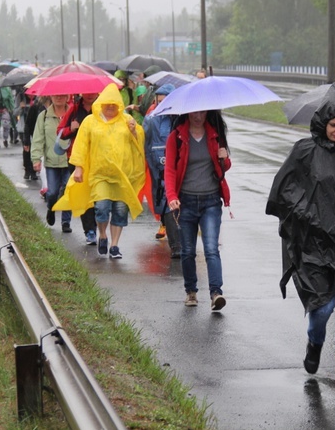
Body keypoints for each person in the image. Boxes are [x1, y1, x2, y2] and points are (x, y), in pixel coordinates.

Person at [266, 84, 335, 391]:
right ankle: (315, 342)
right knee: (323, 308)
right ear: (322, 123)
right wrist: (310, 214)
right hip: (315, 243)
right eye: (333, 125)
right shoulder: (304, 151)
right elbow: (283, 191)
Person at [53, 83, 146, 260]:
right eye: (107, 103)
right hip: (99, 175)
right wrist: (79, 168)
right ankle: (102, 234)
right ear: (101, 103)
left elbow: (139, 144)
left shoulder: (126, 121)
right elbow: (80, 146)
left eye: (114, 104)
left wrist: (134, 132)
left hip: (122, 177)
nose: (111, 107)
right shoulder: (90, 121)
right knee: (101, 208)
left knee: (119, 211)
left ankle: (115, 245)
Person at [164, 108, 231, 311]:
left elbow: (224, 167)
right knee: (188, 251)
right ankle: (191, 291)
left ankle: (216, 293)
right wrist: (172, 196)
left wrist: (224, 157)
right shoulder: (176, 137)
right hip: (186, 202)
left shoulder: (216, 133)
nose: (198, 116)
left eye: (202, 112)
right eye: (194, 112)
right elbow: (170, 169)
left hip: (211, 201)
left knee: (211, 249)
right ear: (187, 113)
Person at [142, 83, 182, 258]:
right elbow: (143, 141)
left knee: (176, 203)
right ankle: (177, 246)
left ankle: (180, 244)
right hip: (158, 167)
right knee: (165, 203)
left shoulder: (182, 118)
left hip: (179, 167)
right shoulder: (151, 120)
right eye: (159, 101)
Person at [57, 92, 100, 245]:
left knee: (98, 194)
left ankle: (99, 225)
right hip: (77, 159)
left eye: (93, 92)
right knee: (83, 194)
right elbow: (60, 132)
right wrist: (71, 128)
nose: (90, 95)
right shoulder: (74, 110)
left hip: (99, 157)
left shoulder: (102, 109)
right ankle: (90, 230)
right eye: (87, 93)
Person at [31, 94, 72, 232]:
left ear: (67, 97)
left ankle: (66, 222)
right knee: (53, 192)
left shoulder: (73, 114)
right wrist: (36, 159)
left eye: (62, 95)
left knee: (68, 190)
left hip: (70, 160)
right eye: (56, 95)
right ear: (51, 97)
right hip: (51, 161)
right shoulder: (43, 116)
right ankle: (51, 208)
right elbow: (37, 139)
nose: (59, 98)